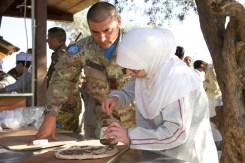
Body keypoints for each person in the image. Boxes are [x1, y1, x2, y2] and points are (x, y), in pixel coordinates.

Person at [101, 28, 219, 163]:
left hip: (185, 157)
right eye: (126, 68)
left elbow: (176, 132)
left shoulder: (178, 81)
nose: (129, 73)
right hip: (156, 153)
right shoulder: (149, 68)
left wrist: (130, 136)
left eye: (134, 69)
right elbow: (129, 91)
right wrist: (116, 98)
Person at [35, 2, 133, 140]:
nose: (102, 38)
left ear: (118, 21)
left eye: (107, 30)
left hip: (139, 122)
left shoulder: (136, 44)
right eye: (95, 32)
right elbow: (62, 79)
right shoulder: (81, 49)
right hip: (106, 121)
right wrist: (51, 114)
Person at [35, 27, 82, 140]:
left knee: (63, 136)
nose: (47, 41)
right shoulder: (61, 54)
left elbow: (64, 81)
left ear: (55, 40)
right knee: (67, 135)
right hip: (66, 102)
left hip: (64, 103)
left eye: (49, 38)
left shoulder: (63, 55)